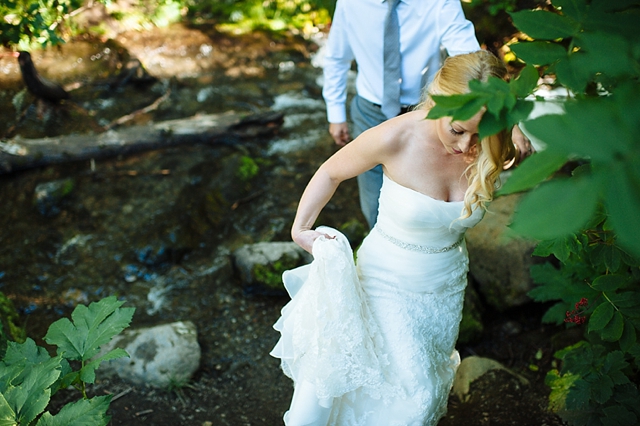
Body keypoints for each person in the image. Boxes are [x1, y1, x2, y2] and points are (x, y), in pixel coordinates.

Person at [271, 50, 515, 425]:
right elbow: (331, 172)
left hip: (444, 288)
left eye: (477, 133)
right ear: (437, 100)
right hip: (385, 279)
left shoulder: (493, 142)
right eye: (457, 130)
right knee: (408, 399)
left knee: (422, 389)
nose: (467, 146)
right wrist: (300, 228)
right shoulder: (396, 136)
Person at [322, 0, 533, 229]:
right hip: (370, 110)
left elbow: (471, 61)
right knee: (374, 198)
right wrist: (335, 113)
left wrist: (508, 122)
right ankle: (381, 246)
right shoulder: (350, 3)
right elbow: (337, 57)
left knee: (428, 194)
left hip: (430, 115)